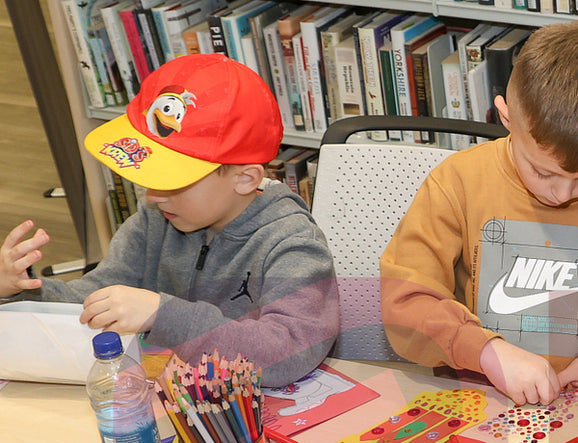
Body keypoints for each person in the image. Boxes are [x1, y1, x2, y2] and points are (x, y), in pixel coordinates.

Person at [380, 22, 578, 409]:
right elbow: (408, 300)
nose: (560, 194)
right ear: (506, 116)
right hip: (473, 403)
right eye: (543, 172)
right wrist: (486, 352)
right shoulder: (457, 182)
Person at [0, 54, 338, 389]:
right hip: (172, 401)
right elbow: (94, 300)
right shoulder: (154, 221)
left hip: (253, 417)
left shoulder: (291, 242)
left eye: (171, 180)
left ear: (246, 179)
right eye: (149, 176)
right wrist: (21, 292)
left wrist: (164, 315)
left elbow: (291, 352)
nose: (152, 195)